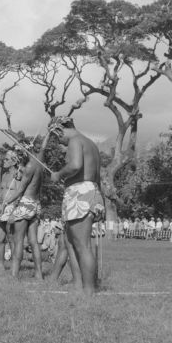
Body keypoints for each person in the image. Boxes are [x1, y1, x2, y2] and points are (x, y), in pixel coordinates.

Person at [49, 116, 105, 295]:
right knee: (71, 242)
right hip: (90, 191)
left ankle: (88, 291)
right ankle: (79, 286)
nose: (60, 141)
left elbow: (75, 166)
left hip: (81, 193)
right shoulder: (91, 144)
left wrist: (59, 174)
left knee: (82, 244)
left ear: (60, 130)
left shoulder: (75, 140)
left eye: (57, 137)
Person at [6, 139, 47, 280]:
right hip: (36, 205)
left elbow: (20, 190)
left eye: (20, 154)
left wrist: (5, 202)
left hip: (25, 203)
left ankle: (14, 274)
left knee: (18, 240)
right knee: (34, 241)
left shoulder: (29, 167)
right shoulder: (40, 164)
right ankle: (39, 274)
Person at [0, 150, 21, 270]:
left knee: (11, 238)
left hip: (12, 207)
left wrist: (14, 209)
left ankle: (14, 265)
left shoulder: (19, 174)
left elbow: (19, 193)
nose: (4, 162)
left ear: (14, 161)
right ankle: (1, 264)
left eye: (6, 159)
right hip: (2, 207)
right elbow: (1, 194)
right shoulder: (5, 175)